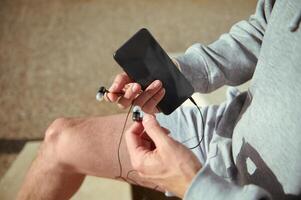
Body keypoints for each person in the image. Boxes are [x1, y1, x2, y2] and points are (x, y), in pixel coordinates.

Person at [17, 0, 301, 199]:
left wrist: (193, 185)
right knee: (60, 137)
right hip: (226, 128)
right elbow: (264, 28)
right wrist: (175, 75)